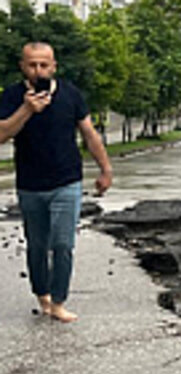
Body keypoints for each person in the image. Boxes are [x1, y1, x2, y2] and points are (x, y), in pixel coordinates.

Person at [0, 42, 113, 323]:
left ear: (54, 66)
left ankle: (59, 301)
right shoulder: (13, 96)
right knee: (37, 246)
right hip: (30, 184)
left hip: (67, 181)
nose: (38, 70)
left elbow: (89, 134)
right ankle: (43, 296)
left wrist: (106, 169)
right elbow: (1, 134)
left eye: (43, 65)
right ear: (22, 66)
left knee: (62, 244)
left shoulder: (71, 94)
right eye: (32, 64)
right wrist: (27, 109)